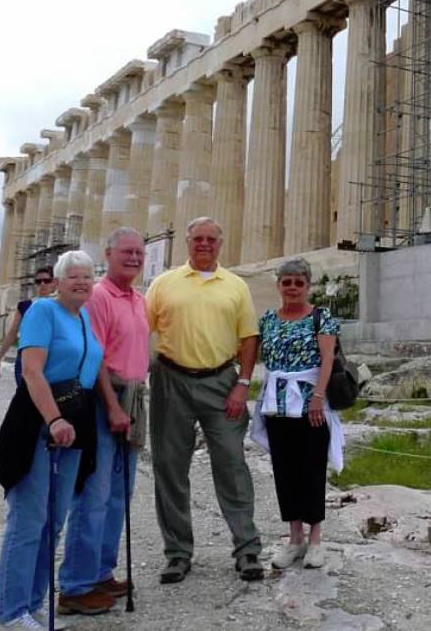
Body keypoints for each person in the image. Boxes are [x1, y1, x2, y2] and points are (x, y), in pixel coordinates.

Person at [145, 216, 263, 584]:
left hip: (221, 381)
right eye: (198, 238)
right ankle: (178, 553)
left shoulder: (236, 286)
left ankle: (246, 549)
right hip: (171, 381)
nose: (205, 244)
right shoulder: (163, 284)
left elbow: (248, 339)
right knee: (170, 467)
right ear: (187, 242)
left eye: (212, 239)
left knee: (232, 465)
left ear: (221, 243)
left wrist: (243, 384)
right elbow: (140, 329)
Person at [0, 251, 105, 630]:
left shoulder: (84, 316)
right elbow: (31, 371)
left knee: (54, 518)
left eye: (87, 276)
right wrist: (53, 418)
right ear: (57, 281)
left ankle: (33, 602)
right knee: (29, 518)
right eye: (72, 276)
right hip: (39, 421)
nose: (81, 282)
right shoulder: (43, 310)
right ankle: (12, 611)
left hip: (74, 423)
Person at [58, 228, 147, 615]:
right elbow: (92, 358)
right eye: (126, 251)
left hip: (132, 398)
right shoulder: (98, 296)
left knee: (118, 494)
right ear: (108, 254)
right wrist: (112, 407)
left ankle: (100, 571)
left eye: (139, 252)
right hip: (103, 400)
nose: (134, 258)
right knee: (93, 494)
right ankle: (75, 585)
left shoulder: (138, 299)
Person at [251, 258, 344, 570]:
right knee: (285, 470)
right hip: (277, 405)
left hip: (309, 403)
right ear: (279, 285)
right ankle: (294, 537)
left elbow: (328, 358)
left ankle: (316, 538)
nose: (292, 288)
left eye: (298, 283)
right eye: (286, 282)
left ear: (308, 286)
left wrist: (318, 396)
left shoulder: (321, 317)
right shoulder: (268, 319)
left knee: (311, 469)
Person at [0, 266, 57, 385]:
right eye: (38, 281)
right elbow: (12, 332)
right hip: (25, 360)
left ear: (54, 283)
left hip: (50, 360)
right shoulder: (25, 305)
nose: (42, 284)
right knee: (24, 399)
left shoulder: (58, 305)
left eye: (46, 281)